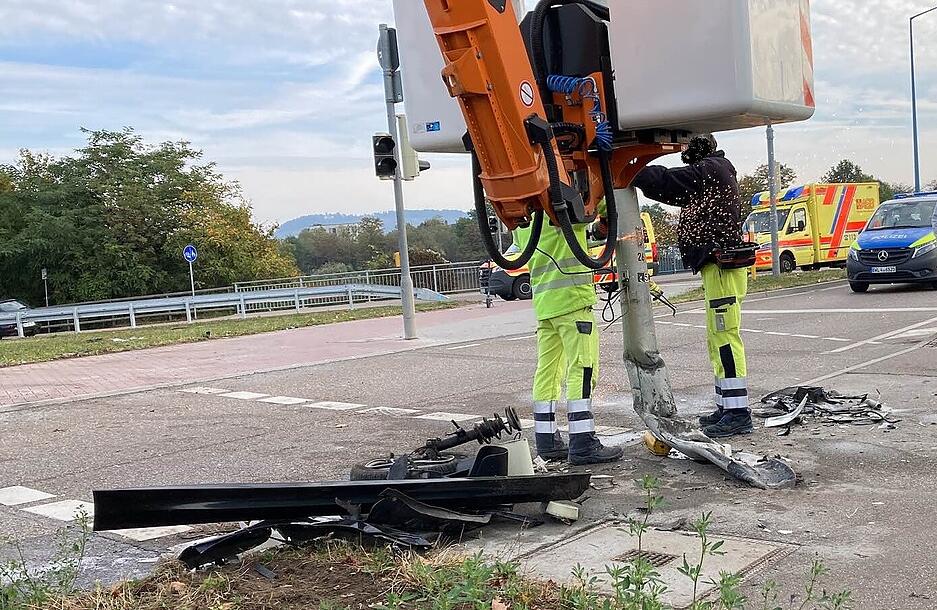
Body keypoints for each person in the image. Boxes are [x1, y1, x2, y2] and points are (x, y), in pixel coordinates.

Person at [630, 134, 753, 438]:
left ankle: (738, 412)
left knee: (725, 338)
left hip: (722, 267)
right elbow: (671, 191)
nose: (682, 151)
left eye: (685, 146)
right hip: (716, 266)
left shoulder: (712, 168)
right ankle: (727, 405)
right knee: (717, 338)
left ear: (698, 148)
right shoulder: (711, 171)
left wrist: (630, 167)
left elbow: (668, 183)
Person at [528, 210, 623, 465]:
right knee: (583, 368)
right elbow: (600, 199)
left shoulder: (524, 207)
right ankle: (582, 442)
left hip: (545, 304)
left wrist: (596, 232)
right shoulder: (559, 196)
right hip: (572, 300)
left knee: (547, 372)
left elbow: (568, 237)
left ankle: (547, 442)